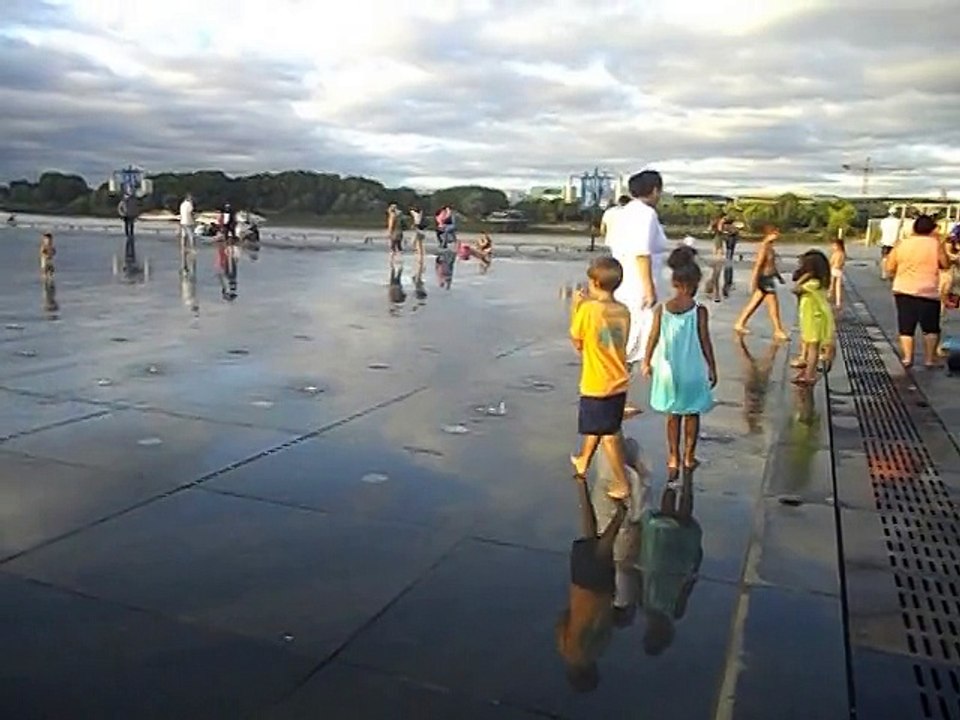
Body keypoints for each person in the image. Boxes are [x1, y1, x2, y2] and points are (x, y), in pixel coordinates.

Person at [641, 247, 717, 476]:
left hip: (668, 369)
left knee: (672, 415)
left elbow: (653, 337)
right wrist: (712, 367)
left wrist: (646, 361)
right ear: (696, 283)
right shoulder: (699, 310)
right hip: (692, 369)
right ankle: (689, 456)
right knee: (692, 413)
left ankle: (673, 456)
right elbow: (705, 341)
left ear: (674, 283)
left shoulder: (662, 309)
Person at [555, 472, 627, 692]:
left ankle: (620, 515)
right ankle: (581, 486)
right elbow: (561, 621)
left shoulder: (598, 650)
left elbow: (606, 624)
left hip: (602, 594)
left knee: (601, 550)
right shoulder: (566, 649)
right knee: (590, 538)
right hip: (579, 588)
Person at [569, 257, 633, 500]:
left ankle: (622, 483)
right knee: (599, 424)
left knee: (609, 434)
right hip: (618, 381)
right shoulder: (623, 311)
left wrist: (575, 306)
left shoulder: (588, 310)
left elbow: (577, 340)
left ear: (595, 282)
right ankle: (583, 461)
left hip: (597, 383)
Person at [606, 170, 670, 367]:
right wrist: (649, 289)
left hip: (624, 280)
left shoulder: (623, 212)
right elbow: (641, 253)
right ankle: (617, 389)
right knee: (636, 337)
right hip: (638, 283)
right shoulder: (646, 214)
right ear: (654, 190)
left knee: (626, 336)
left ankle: (617, 388)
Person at [884, 214, 951, 368]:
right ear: (931, 228)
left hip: (903, 289)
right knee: (930, 328)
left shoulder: (902, 244)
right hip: (928, 291)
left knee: (906, 326)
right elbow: (945, 264)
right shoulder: (935, 244)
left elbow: (890, 267)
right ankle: (929, 359)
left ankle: (907, 358)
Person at [733, 226, 789, 340]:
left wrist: (778, 277)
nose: (778, 235)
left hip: (769, 278)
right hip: (764, 279)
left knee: (755, 303)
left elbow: (771, 265)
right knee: (773, 304)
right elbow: (758, 265)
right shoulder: (763, 247)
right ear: (770, 234)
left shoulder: (770, 248)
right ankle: (778, 329)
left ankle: (740, 322)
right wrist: (753, 281)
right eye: (776, 233)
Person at [790, 250, 836, 385]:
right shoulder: (818, 283)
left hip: (814, 319)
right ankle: (808, 372)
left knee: (813, 348)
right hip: (813, 318)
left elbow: (795, 289)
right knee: (812, 347)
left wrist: (805, 277)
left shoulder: (812, 284)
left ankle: (810, 374)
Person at [879, 207, 902, 280]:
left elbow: (881, 229)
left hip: (885, 241)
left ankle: (884, 274)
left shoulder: (883, 221)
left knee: (884, 258)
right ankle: (892, 273)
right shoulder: (898, 221)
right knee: (895, 258)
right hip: (895, 242)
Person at [829, 238, 846, 310]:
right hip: (840, 271)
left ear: (838, 246)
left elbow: (831, 262)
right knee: (838, 287)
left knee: (831, 285)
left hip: (833, 270)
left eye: (834, 246)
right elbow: (842, 263)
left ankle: (829, 296)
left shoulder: (835, 254)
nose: (833, 247)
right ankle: (838, 302)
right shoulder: (843, 253)